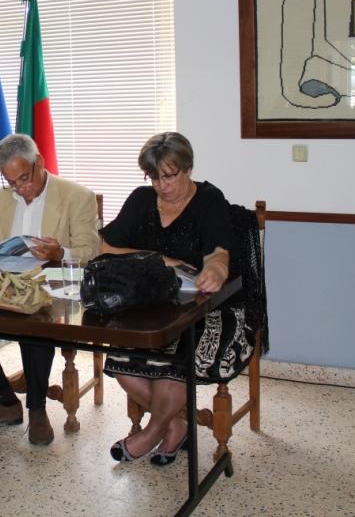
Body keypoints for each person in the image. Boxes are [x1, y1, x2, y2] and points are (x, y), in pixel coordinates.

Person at [100, 131, 251, 466]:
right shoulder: (141, 200)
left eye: (168, 176)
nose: (160, 185)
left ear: (188, 168)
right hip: (155, 306)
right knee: (120, 360)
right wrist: (158, 259)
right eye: (153, 177)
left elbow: (219, 253)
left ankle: (151, 433)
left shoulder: (209, 199)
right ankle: (177, 425)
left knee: (174, 367)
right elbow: (105, 246)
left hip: (212, 308)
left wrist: (215, 268)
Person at [0, 133, 100, 446]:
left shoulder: (76, 195)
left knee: (36, 320)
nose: (21, 189)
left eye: (24, 178)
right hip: (8, 281)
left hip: (55, 284)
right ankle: (4, 401)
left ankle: (37, 409)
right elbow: (2, 243)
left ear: (40, 164)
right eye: (12, 182)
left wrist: (59, 252)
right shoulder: (1, 198)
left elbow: (90, 250)